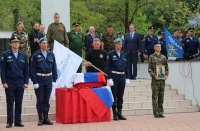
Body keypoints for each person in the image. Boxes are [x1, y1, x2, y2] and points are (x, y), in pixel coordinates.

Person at [1, 36, 29, 128]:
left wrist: (26, 82)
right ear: (11, 43)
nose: (16, 44)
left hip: (20, 81)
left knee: (19, 102)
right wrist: (4, 82)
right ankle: (9, 121)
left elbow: (26, 70)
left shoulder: (23, 55)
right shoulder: (5, 55)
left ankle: (18, 121)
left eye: (17, 42)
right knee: (10, 102)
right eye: (14, 42)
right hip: (10, 81)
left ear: (19, 44)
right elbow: (3, 69)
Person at [30, 37, 57, 126]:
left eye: (46, 43)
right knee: (40, 99)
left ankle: (46, 117)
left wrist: (54, 79)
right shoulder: (35, 55)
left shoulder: (51, 55)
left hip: (49, 79)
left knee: (46, 99)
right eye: (43, 43)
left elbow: (54, 68)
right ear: (40, 44)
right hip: (39, 79)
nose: (45, 45)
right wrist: (34, 82)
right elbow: (32, 69)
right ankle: (40, 118)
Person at [106, 38, 129, 121]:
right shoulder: (111, 54)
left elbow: (127, 67)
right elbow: (108, 67)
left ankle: (120, 113)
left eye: (121, 44)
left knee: (120, 95)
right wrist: (109, 78)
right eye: (119, 44)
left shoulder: (124, 54)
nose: (120, 45)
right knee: (114, 95)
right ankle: (114, 113)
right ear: (115, 44)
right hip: (114, 75)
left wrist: (127, 77)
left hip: (122, 76)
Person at [148, 40, 169, 118]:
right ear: (154, 47)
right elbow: (149, 69)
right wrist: (154, 76)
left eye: (160, 46)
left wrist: (166, 75)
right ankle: (156, 112)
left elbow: (166, 68)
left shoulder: (163, 57)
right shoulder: (151, 57)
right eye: (158, 46)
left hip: (162, 80)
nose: (159, 48)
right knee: (155, 96)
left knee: (161, 96)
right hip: (155, 80)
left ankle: (161, 111)